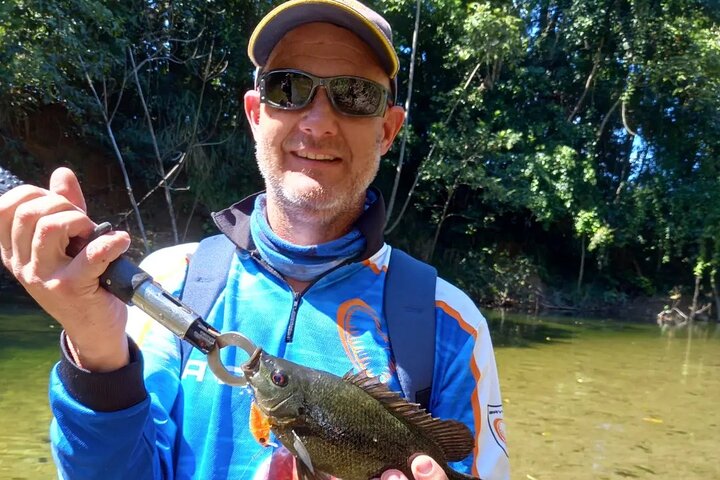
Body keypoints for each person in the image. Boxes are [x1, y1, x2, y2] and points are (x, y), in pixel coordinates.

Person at [0, 0, 509, 478]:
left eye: (355, 95)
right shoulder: (168, 285)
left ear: (388, 130)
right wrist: (94, 347)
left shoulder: (452, 325)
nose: (318, 121)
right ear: (255, 113)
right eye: (289, 88)